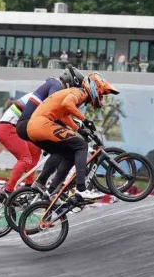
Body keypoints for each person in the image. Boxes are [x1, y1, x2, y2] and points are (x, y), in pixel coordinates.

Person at [27, 73, 119, 202]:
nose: (101, 98)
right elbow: (67, 103)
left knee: (69, 154)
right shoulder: (80, 92)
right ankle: (81, 189)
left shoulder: (76, 94)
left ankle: (49, 191)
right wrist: (84, 120)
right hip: (42, 124)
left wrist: (80, 129)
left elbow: (64, 115)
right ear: (95, 87)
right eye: (102, 94)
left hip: (35, 127)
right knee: (82, 146)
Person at [16, 65, 85, 143]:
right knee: (69, 142)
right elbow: (55, 111)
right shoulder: (57, 85)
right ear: (72, 82)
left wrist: (75, 127)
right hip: (28, 124)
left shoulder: (55, 84)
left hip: (28, 124)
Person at [0, 92, 41, 197]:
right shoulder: (38, 98)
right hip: (7, 128)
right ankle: (8, 190)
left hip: (13, 128)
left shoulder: (40, 95)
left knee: (35, 149)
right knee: (25, 158)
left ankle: (28, 185)